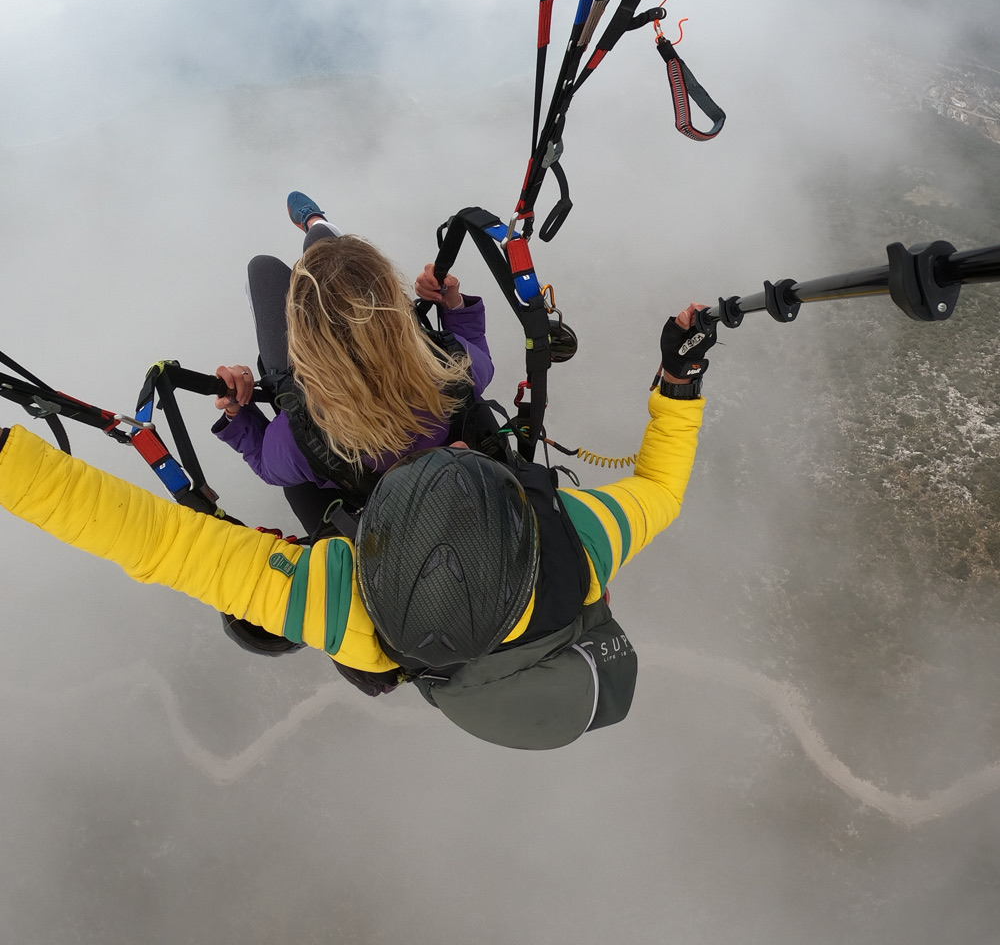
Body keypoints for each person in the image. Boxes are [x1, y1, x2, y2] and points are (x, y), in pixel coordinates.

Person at [0, 303, 716, 747]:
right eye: (473, 468)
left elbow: (154, 542)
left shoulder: (365, 620)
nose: (461, 446)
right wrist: (678, 385)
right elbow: (160, 546)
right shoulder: (570, 544)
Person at [212, 191, 495, 539]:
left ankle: (317, 228)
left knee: (262, 268)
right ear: (395, 310)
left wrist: (235, 413)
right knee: (329, 258)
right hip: (417, 390)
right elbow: (479, 353)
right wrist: (454, 304)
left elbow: (267, 466)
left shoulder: (297, 440)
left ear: (301, 337)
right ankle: (318, 227)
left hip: (337, 438)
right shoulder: (453, 368)